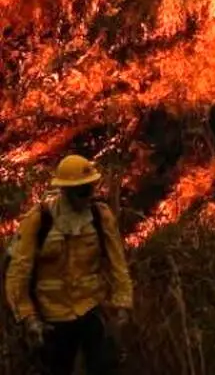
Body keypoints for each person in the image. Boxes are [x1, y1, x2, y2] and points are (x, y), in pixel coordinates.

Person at [4, 154, 133, 374]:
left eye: (89, 189)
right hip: (53, 317)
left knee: (103, 366)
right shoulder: (39, 220)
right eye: (81, 191)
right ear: (66, 191)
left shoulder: (100, 216)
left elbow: (117, 263)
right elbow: (18, 273)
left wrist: (123, 304)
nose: (87, 196)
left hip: (91, 308)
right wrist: (29, 318)